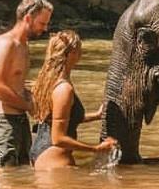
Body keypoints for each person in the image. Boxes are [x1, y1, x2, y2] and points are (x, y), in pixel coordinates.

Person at [0, 0, 53, 167]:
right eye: (42, 23)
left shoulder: (23, 46)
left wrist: (35, 99)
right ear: (28, 18)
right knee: (3, 180)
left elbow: (16, 86)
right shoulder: (5, 44)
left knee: (22, 179)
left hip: (18, 120)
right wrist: (28, 106)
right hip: (0, 122)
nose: (45, 28)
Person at [29, 30, 117, 169]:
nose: (81, 54)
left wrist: (96, 116)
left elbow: (58, 119)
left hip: (42, 153)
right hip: (55, 159)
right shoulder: (64, 89)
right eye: (79, 50)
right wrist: (96, 148)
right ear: (70, 54)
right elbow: (58, 138)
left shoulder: (47, 82)